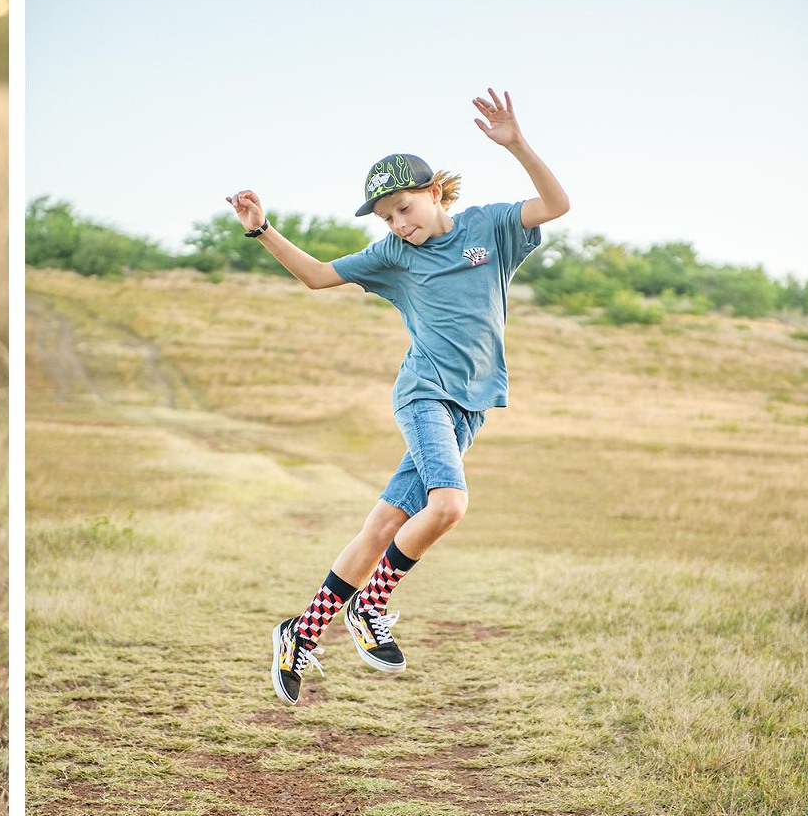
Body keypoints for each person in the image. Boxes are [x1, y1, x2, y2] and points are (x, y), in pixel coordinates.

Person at [228, 89, 569, 705]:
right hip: (423, 396)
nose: (398, 225)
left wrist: (516, 143)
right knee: (448, 506)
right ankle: (370, 607)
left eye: (404, 209)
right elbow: (318, 275)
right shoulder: (392, 256)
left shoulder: (489, 226)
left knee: (386, 522)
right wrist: (263, 231)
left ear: (435, 193)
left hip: (472, 405)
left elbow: (556, 203)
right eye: (387, 218)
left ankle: (299, 632)